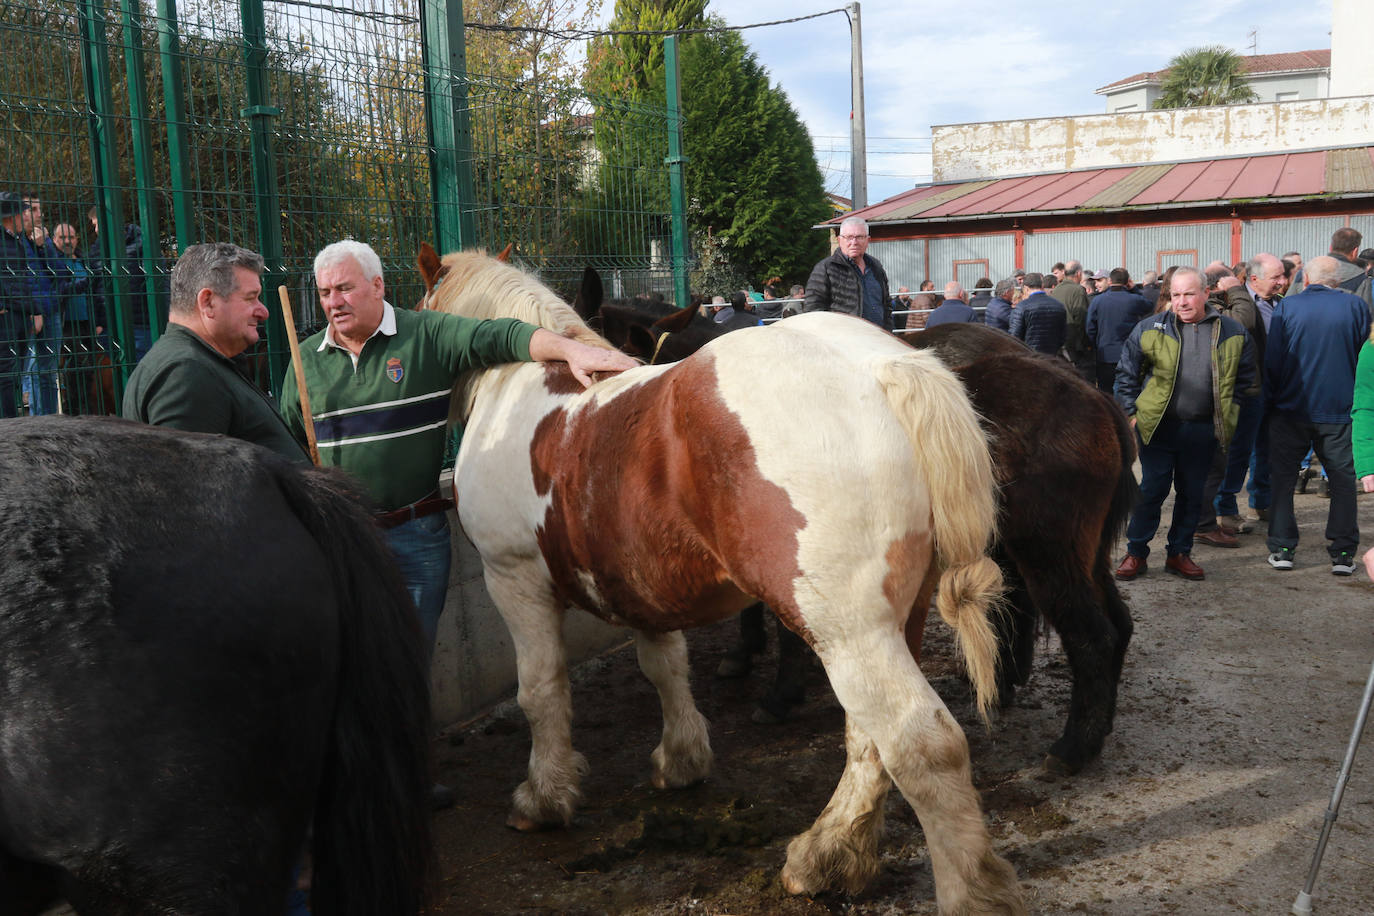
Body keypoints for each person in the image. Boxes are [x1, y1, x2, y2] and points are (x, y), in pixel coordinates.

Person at [280, 239, 634, 658]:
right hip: (343, 537)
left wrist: (573, 348)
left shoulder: (427, 334)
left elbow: (503, 335)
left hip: (416, 536)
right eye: (325, 293)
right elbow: (287, 446)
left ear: (378, 286)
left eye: (345, 288)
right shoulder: (305, 363)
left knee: (411, 660)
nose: (334, 302)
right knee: (348, 660)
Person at [1113, 267, 1254, 582]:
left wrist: (1231, 412)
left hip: (1203, 430)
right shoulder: (1150, 328)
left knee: (1192, 494)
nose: (1182, 302)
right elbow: (1126, 374)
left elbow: (1245, 380)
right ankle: (1136, 552)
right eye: (1176, 295)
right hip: (1158, 428)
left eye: (1189, 294)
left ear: (1206, 293)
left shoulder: (1232, 331)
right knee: (1151, 490)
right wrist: (1131, 414)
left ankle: (1179, 553)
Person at [122, 242, 309, 462]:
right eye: (251, 298)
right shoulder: (186, 373)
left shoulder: (201, 362)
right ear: (208, 302)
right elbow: (192, 487)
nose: (263, 311)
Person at [1262, 255, 1370, 575]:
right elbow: (1362, 353)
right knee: (1341, 482)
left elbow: (1273, 361)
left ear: (1305, 280)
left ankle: (1283, 547)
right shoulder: (1356, 307)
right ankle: (1342, 553)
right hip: (1340, 409)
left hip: (1291, 408)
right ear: (1336, 281)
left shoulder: (1288, 307)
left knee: (1282, 480)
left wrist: (1267, 406)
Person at [50, 222, 105, 415]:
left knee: (89, 365)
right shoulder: (53, 262)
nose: (67, 241)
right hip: (67, 323)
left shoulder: (84, 261)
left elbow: (96, 294)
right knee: (78, 364)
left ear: (77, 239)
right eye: (62, 237)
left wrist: (99, 321)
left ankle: (86, 409)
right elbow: (60, 291)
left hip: (87, 321)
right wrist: (83, 283)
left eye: (71, 237)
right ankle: (74, 409)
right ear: (54, 240)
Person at [803, 216, 891, 329]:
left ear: (868, 240)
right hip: (843, 342)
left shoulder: (876, 267)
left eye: (859, 237)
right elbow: (813, 310)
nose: (854, 242)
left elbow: (886, 305)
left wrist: (889, 332)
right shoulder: (825, 268)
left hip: (879, 339)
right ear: (840, 240)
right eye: (849, 237)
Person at [1084, 268, 1151, 394]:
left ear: (1109, 281)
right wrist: (1134, 289)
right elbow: (1149, 305)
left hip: (1105, 353)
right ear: (1127, 281)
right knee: (1128, 391)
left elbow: (1090, 328)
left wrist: (1096, 345)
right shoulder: (1134, 299)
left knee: (1106, 392)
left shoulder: (1097, 301)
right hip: (1129, 354)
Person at [1051, 260, 1094, 380]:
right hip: (1074, 343)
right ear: (1079, 273)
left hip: (1058, 341)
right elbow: (1081, 318)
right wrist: (1086, 344)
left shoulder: (1056, 290)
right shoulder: (1078, 290)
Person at [1008, 271, 1066, 355]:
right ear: (1042, 286)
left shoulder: (1022, 307)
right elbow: (1063, 335)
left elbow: (1014, 336)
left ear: (1026, 288)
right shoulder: (1059, 306)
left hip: (1030, 356)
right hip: (1052, 356)